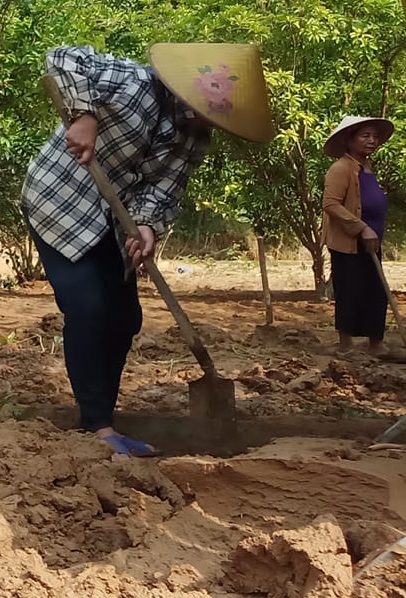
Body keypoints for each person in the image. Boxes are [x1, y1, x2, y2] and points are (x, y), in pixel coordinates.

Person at [24, 43, 273, 459]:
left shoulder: (195, 138)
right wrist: (84, 115)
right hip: (61, 203)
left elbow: (163, 188)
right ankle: (97, 425)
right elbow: (61, 57)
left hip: (112, 217)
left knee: (125, 317)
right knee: (88, 308)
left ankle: (100, 416)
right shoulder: (133, 83)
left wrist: (145, 226)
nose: (208, 120)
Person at [323, 115, 397, 357]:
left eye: (375, 136)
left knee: (376, 291)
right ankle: (346, 345)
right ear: (349, 139)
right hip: (349, 242)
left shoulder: (366, 167)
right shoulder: (341, 168)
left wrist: (371, 231)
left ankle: (376, 344)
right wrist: (361, 227)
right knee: (350, 291)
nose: (372, 140)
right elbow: (331, 204)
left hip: (372, 242)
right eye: (365, 136)